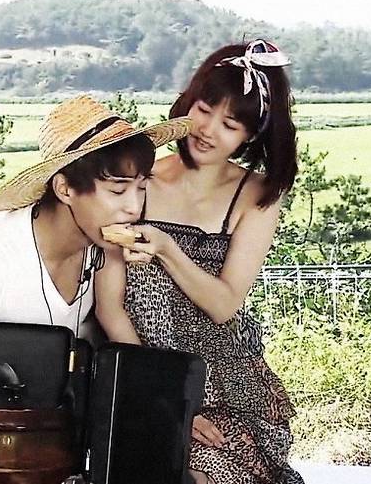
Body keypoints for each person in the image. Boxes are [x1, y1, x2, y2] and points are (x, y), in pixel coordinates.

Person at [95, 40, 303, 484]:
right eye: (204, 110)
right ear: (187, 104)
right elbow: (110, 306)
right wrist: (167, 399)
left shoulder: (257, 195)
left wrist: (168, 250)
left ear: (250, 135)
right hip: (146, 371)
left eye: (230, 124)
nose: (207, 130)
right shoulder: (140, 181)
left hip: (228, 381)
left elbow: (225, 304)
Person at [0, 94, 191, 346]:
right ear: (64, 189)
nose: (134, 208)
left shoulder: (103, 248)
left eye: (141, 188)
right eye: (117, 191)